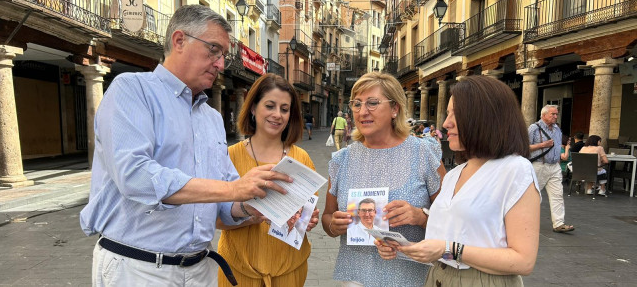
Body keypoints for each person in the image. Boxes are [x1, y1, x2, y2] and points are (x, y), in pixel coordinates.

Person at [79, 6, 293, 286]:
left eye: (223, 56)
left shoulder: (212, 119)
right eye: (213, 49)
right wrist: (233, 189)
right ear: (179, 40)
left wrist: (258, 205)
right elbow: (135, 177)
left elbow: (226, 205)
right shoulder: (131, 90)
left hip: (199, 269)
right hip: (138, 269)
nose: (219, 64)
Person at [377, 76, 541, 286]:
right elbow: (447, 236)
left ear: (486, 118)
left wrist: (450, 249)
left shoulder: (515, 170)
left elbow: (523, 261)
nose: (446, 124)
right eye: (447, 114)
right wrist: (403, 247)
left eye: (457, 114)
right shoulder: (455, 174)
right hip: (438, 276)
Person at [322, 72, 445, 286]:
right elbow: (327, 217)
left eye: (372, 103)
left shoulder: (423, 152)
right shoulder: (342, 160)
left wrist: (421, 216)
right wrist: (334, 225)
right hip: (356, 278)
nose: (362, 112)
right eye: (357, 104)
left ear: (395, 108)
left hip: (411, 277)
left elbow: (453, 219)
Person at [216, 73, 320, 287]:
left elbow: (304, 214)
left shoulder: (301, 159)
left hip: (289, 270)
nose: (277, 115)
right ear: (253, 108)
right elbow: (216, 221)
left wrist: (306, 221)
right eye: (270, 106)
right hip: (237, 272)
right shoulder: (229, 157)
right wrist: (254, 216)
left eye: (284, 109)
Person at [528, 105, 575, 233]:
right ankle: (526, 222)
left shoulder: (557, 129)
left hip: (554, 166)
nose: (555, 116)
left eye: (556, 114)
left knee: (558, 195)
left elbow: (557, 147)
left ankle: (559, 223)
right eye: (552, 114)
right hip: (539, 165)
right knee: (533, 196)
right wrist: (542, 145)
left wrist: (558, 162)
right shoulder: (534, 128)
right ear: (544, 115)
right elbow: (524, 147)